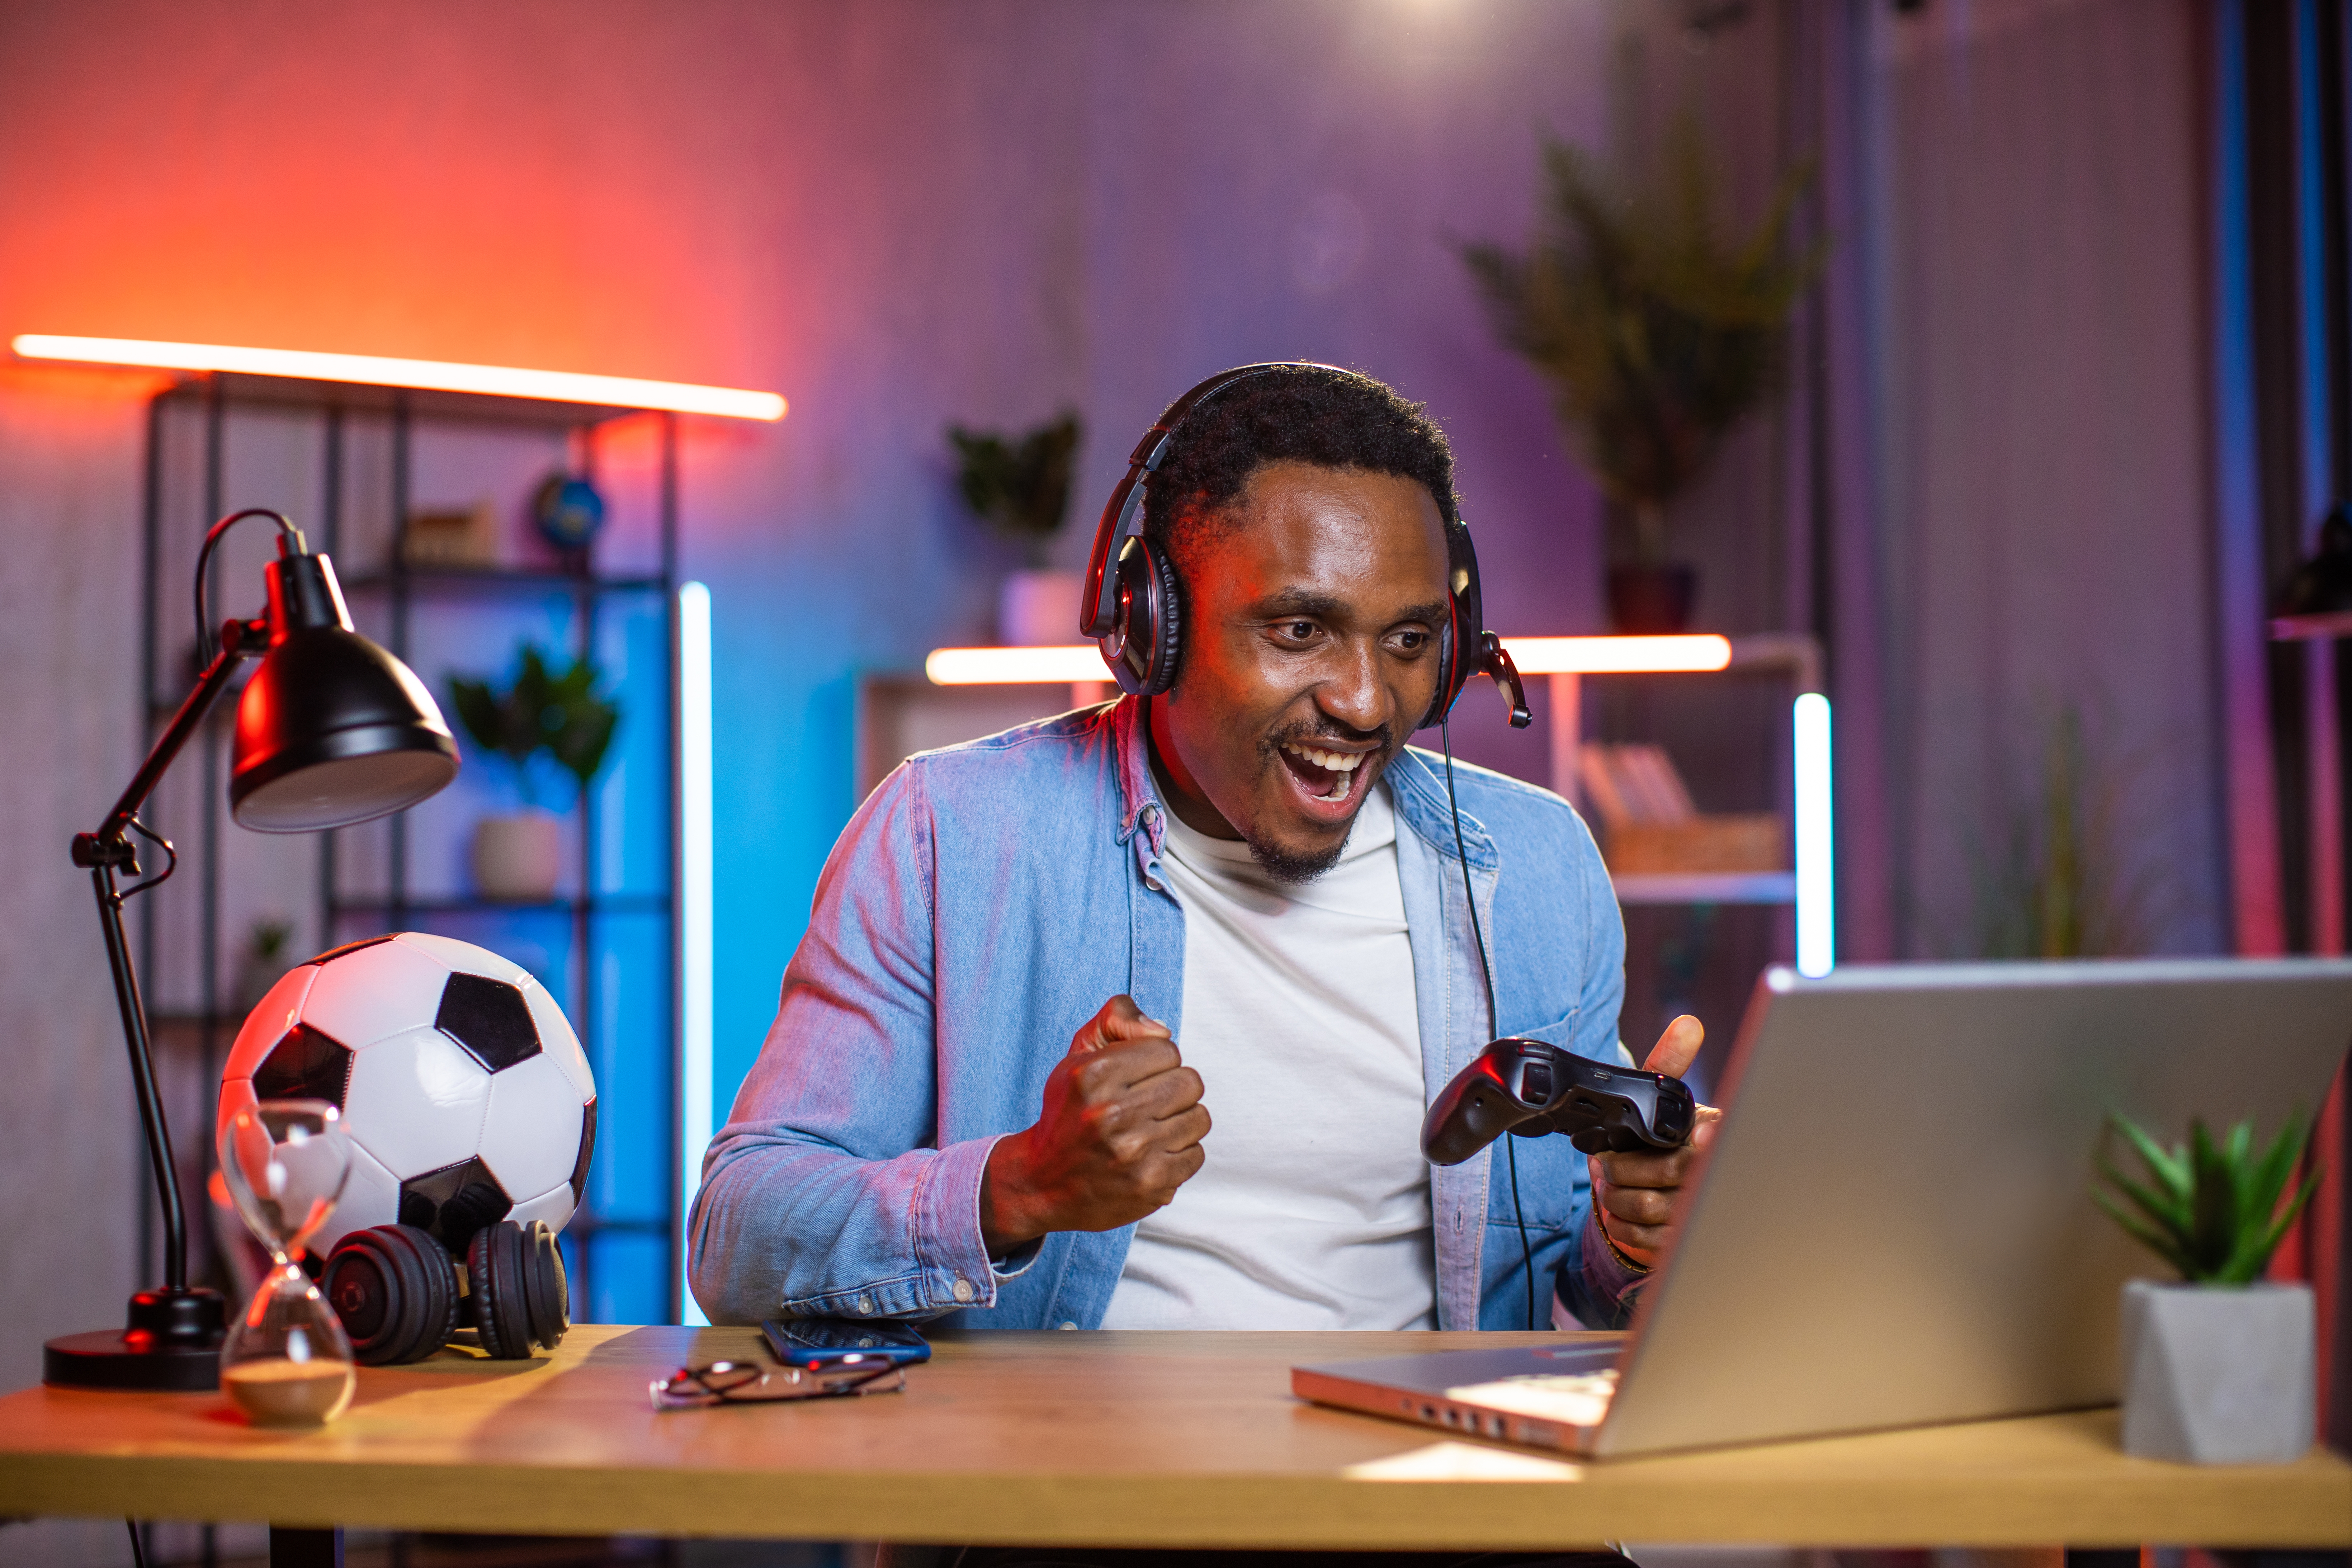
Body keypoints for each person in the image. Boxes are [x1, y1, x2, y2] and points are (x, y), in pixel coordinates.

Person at [690, 364, 1716, 1343]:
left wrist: (1640, 1226)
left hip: (1442, 1501)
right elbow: (737, 1234)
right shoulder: (949, 834)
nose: (1364, 701)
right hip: (1071, 1504)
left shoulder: (1539, 867)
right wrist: (1021, 1185)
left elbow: (1586, 1274)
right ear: (1153, 628)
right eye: (1302, 628)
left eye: (1407, 641)